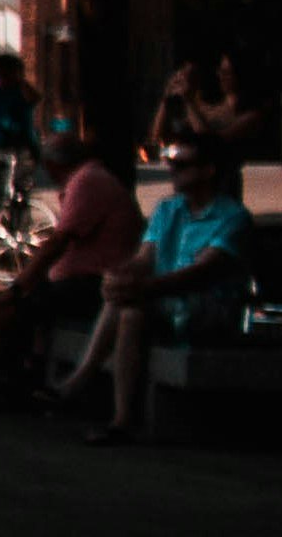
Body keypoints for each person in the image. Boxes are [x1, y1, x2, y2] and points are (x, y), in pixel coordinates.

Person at [72, 144, 256, 447]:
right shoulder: (169, 209)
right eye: (171, 163)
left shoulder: (232, 217)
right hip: (165, 302)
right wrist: (121, 274)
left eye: (181, 165)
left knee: (129, 302)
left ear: (208, 170)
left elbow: (201, 273)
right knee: (128, 308)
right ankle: (120, 417)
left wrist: (142, 288)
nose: (172, 170)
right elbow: (145, 258)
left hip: (209, 308)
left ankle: (86, 382)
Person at [0, 131, 140, 369]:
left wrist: (16, 290)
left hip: (92, 282)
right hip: (80, 281)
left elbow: (58, 243)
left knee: (12, 310)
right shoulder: (87, 178)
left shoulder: (87, 181)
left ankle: (21, 374)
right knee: (10, 304)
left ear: (52, 164)